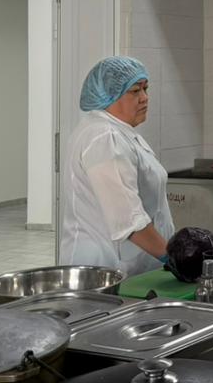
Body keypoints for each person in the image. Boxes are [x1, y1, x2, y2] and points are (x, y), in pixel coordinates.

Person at [59, 55, 175, 276]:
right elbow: (128, 220)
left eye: (146, 89)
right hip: (104, 268)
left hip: (130, 266)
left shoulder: (120, 132)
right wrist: (173, 257)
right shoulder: (104, 137)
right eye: (135, 91)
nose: (144, 98)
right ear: (108, 95)